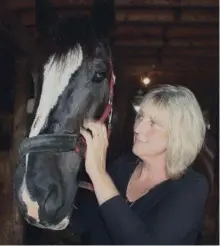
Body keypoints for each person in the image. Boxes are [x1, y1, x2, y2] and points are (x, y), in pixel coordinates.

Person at [71, 84, 209, 245]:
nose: (137, 128)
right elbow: (85, 222)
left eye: (153, 123)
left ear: (179, 135)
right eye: (140, 116)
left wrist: (98, 174)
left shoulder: (192, 187)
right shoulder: (122, 166)